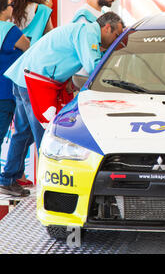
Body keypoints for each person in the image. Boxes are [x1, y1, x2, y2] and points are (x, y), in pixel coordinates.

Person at [0, 12, 124, 197]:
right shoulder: (88, 32)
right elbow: (93, 65)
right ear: (107, 27)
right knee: (46, 134)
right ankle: (49, 188)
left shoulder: (82, 30)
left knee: (24, 132)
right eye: (116, 35)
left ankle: (8, 179)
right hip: (33, 80)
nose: (116, 40)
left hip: (25, 78)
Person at [0, 0, 30, 180]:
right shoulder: (9, 29)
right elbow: (29, 47)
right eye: (11, 4)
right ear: (4, 8)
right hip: (5, 93)